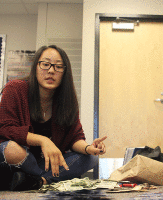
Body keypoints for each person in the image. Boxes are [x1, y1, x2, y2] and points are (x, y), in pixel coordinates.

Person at [0, 45, 107, 191]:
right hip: (23, 159)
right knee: (11, 149)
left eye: (58, 67)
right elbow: (6, 129)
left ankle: (39, 181)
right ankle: (49, 179)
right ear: (36, 67)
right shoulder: (14, 89)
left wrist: (89, 148)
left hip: (49, 162)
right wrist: (42, 140)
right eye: (45, 64)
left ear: (64, 72)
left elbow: (75, 138)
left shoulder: (67, 98)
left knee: (91, 158)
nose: (51, 70)